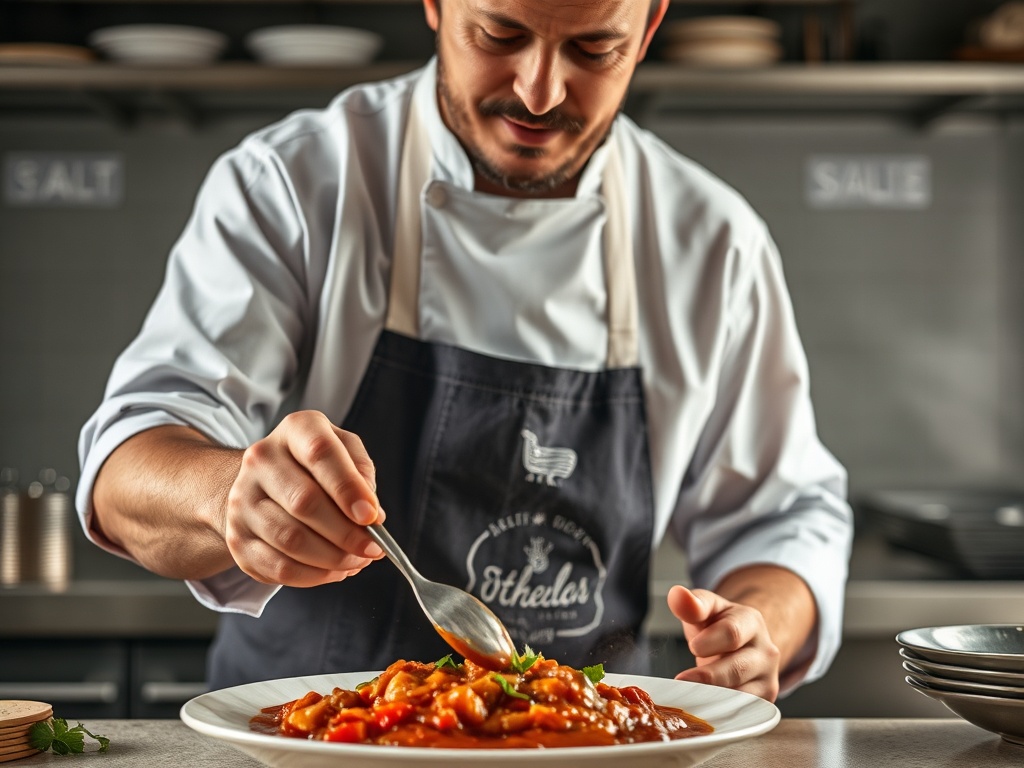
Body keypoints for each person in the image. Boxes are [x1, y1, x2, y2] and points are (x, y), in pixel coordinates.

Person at [77, 0, 853, 703]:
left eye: (593, 49)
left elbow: (782, 518)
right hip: (307, 747)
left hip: (586, 746)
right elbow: (126, 469)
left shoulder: (711, 239)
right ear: (435, 6)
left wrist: (759, 630)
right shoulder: (296, 182)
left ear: (649, 30)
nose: (540, 92)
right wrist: (229, 496)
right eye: (501, 35)